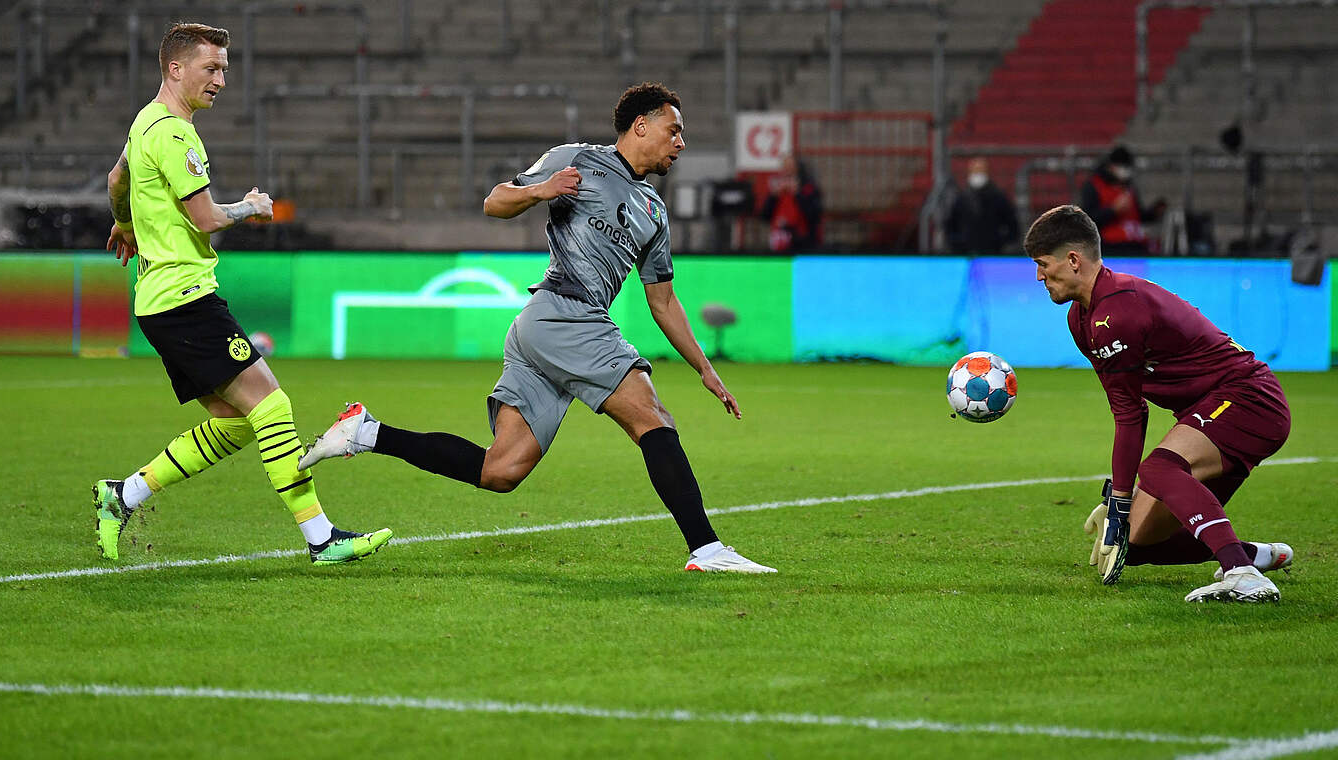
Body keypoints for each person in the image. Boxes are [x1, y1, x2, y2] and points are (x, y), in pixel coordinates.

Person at [299, 82, 774, 574]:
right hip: (565, 314)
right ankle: (707, 548)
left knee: (500, 470)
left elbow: (664, 301)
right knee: (651, 416)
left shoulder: (653, 212)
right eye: (674, 131)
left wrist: (704, 367)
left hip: (542, 330)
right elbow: (495, 202)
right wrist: (541, 190)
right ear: (641, 125)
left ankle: (367, 432)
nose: (681, 143)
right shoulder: (578, 160)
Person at [95, 22, 392, 565]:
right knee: (272, 404)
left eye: (225, 69)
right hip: (185, 299)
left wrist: (126, 224)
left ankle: (123, 495)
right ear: (175, 67)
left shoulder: (145, 122)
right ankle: (322, 538)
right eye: (211, 68)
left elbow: (117, 181)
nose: (221, 80)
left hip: (159, 302)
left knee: (237, 421)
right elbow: (206, 218)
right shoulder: (176, 134)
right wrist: (251, 207)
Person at [1024, 205, 1292, 603]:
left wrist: (1119, 499)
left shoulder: (1119, 309)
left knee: (1161, 469)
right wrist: (1121, 509)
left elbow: (1132, 416)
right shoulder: (1081, 321)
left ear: (1074, 260)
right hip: (1213, 410)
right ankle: (1257, 555)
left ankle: (1242, 575)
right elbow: (1125, 407)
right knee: (1137, 543)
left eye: (1043, 264)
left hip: (1248, 397)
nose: (1039, 276)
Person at [1078, 145, 1166, 256]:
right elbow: (1088, 220)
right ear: (1110, 166)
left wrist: (1153, 213)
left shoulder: (1129, 188)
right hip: (1111, 246)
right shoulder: (1094, 186)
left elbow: (1137, 215)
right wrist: (1113, 210)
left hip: (1135, 244)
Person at [945, 157, 1018, 255]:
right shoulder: (961, 198)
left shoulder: (998, 197)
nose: (978, 175)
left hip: (993, 251)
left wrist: (1001, 242)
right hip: (966, 251)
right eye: (975, 171)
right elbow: (951, 225)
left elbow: (1012, 223)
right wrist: (958, 243)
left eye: (981, 171)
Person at [759, 155, 822, 253]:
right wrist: (773, 197)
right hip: (779, 241)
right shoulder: (775, 190)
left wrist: (797, 194)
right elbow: (764, 216)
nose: (787, 170)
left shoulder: (808, 188)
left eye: (790, 167)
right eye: (784, 167)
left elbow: (814, 216)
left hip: (803, 243)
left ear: (797, 169)